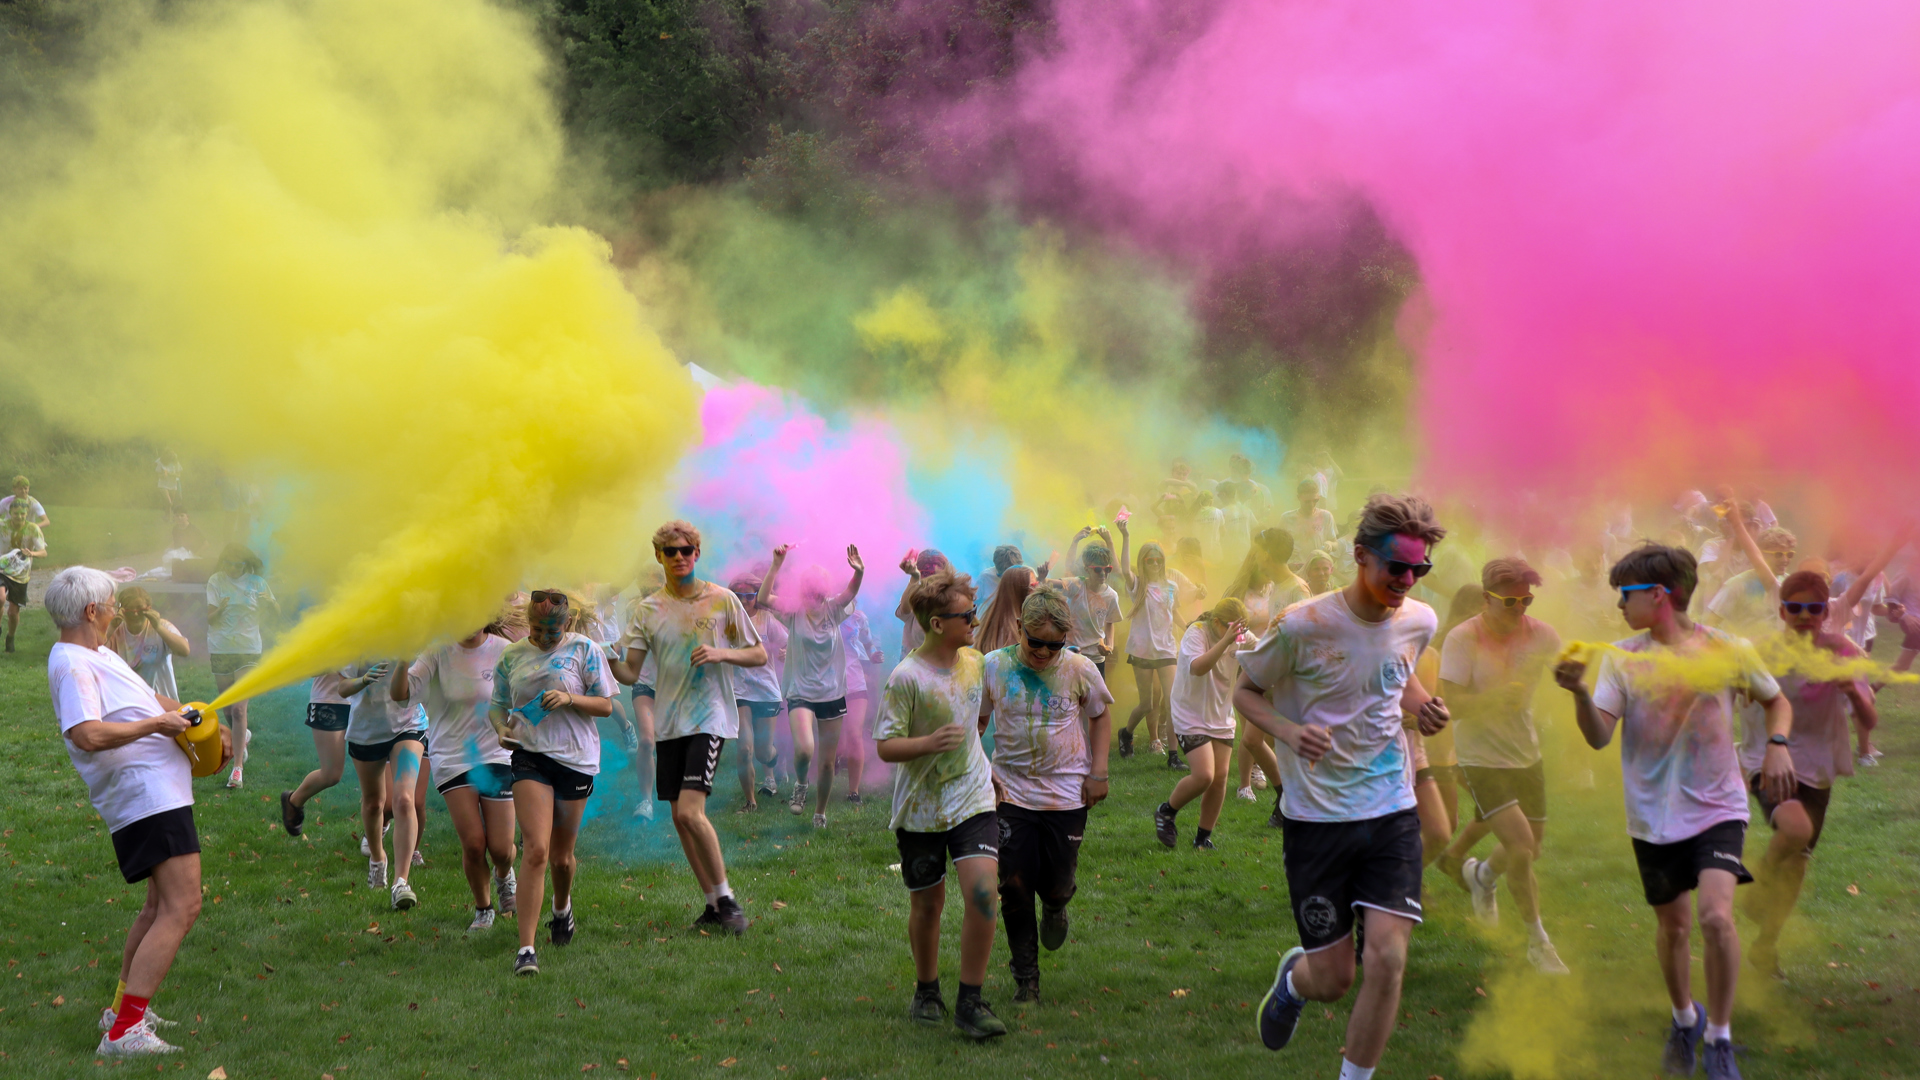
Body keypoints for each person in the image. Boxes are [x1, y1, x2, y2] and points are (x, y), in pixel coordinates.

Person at [1553, 543, 1792, 1080]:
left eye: (1626, 594)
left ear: (1658, 595)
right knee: (1675, 928)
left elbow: (1777, 700)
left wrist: (1778, 743)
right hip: (1652, 814)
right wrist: (1578, 694)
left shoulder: (1728, 649)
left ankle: (1719, 1037)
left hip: (1719, 805)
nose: (1619, 605)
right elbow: (1599, 737)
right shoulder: (1621, 657)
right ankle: (1685, 1017)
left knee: (1715, 917)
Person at [1238, 494, 1452, 1079]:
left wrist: (1422, 705)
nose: (1407, 580)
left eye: (1419, 569)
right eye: (1396, 566)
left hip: (1391, 809)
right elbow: (1245, 691)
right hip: (1316, 819)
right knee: (1333, 980)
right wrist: (1289, 731)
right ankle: (1293, 983)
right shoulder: (1301, 625)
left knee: (1387, 959)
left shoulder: (1419, 620)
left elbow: (1397, 675)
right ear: (1360, 555)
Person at [46, 566, 227, 1057]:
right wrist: (157, 725)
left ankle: (121, 1012)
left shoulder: (99, 653)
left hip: (158, 792)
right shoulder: (73, 665)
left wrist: (201, 718)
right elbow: (86, 734)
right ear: (92, 611)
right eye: (110, 603)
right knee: (182, 906)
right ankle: (125, 1032)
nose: (114, 610)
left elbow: (149, 700)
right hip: (145, 797)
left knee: (157, 907)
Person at [612, 521, 767, 936]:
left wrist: (720, 653)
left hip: (709, 716)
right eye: (670, 551)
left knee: (689, 811)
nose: (679, 557)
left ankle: (727, 898)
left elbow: (759, 654)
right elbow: (630, 673)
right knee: (679, 820)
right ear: (659, 556)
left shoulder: (722, 600)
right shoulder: (648, 610)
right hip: (669, 722)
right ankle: (712, 904)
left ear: (697, 554)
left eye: (686, 550)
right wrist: (608, 657)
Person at [873, 570, 1007, 1040]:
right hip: (921, 808)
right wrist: (928, 743)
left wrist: (987, 766)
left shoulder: (975, 662)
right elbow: (886, 746)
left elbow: (973, 725)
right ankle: (927, 989)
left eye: (975, 611)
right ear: (935, 624)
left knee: (984, 894)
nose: (975, 621)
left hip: (973, 797)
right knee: (928, 905)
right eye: (966, 615)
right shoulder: (905, 678)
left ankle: (971, 1002)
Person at [1740, 570, 1879, 978]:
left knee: (1798, 865)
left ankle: (1765, 946)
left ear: (1825, 613)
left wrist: (1851, 690)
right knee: (1796, 831)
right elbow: (1721, 689)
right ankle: (1758, 885)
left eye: (1814, 608)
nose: (1804, 615)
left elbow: (1869, 718)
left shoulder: (1843, 651)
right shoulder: (1758, 651)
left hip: (1818, 769)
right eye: (1795, 607)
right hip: (1767, 757)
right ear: (1782, 611)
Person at [980, 585, 1114, 1003]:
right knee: (1014, 886)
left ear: (1066, 639)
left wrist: (1099, 772)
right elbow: (977, 722)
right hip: (1010, 793)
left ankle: (1056, 906)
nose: (1042, 652)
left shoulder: (1079, 668)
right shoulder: (994, 666)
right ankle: (1027, 979)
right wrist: (977, 770)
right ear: (1019, 627)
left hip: (1067, 794)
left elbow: (1100, 715)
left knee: (1056, 884)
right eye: (1035, 642)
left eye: (1053, 646)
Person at [1433, 558, 1568, 974]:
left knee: (1532, 846)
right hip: (1480, 757)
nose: (1519, 608)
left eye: (1526, 600)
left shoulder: (1542, 634)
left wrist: (1575, 677)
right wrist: (1494, 699)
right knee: (1522, 848)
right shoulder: (1462, 638)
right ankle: (1538, 944)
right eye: (1510, 601)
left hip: (1526, 753)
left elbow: (1565, 676)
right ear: (1486, 599)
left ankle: (1482, 877)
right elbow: (1452, 706)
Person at [491, 589, 617, 974]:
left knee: (562, 858)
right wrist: (500, 729)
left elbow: (606, 705)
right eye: (537, 629)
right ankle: (526, 950)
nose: (544, 637)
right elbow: (497, 705)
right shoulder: (511, 656)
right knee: (536, 850)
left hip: (575, 759)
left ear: (568, 624)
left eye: (552, 631)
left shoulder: (584, 650)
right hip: (530, 755)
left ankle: (562, 908)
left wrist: (569, 699)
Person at [392, 617, 519, 932]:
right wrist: (404, 658)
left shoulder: (505, 651)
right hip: (452, 756)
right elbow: (401, 695)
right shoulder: (437, 652)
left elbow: (523, 697)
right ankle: (483, 909)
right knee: (474, 844)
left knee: (502, 849)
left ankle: (504, 874)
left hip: (496, 753)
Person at [757, 543, 866, 825]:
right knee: (805, 749)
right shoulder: (793, 612)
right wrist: (776, 564)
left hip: (832, 693)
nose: (814, 598)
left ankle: (820, 812)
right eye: (809, 591)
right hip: (800, 691)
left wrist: (858, 572)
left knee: (827, 762)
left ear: (825, 592)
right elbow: (763, 597)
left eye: (819, 592)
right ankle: (801, 784)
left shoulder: (834, 609)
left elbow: (851, 592)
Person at [1225, 528, 1311, 808]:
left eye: (1259, 551)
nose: (1256, 557)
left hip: (1289, 680)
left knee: (1283, 744)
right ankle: (1285, 797)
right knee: (1252, 740)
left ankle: (1292, 803)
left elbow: (1304, 638)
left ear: (1269, 555)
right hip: (1271, 674)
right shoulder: (1277, 587)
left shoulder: (1297, 589)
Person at [1156, 598, 1249, 849]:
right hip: (1190, 713)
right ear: (1216, 622)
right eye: (1232, 628)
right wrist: (1226, 641)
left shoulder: (1238, 634)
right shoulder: (1196, 632)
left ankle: (1202, 838)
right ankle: (1166, 811)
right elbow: (1198, 668)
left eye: (1242, 628)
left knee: (1220, 778)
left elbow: (1263, 650)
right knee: (1204, 775)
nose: (1238, 634)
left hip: (1220, 714)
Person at [341, 659, 427, 909]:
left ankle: (401, 882)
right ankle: (378, 859)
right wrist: (363, 680)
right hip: (366, 730)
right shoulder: (355, 642)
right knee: (374, 803)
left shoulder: (411, 640)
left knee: (404, 799)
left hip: (409, 724)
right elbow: (342, 688)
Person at [1119, 542, 1205, 766]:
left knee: (1172, 702)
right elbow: (1125, 569)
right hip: (1142, 650)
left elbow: (1173, 611)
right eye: (1150, 560)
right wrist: (1125, 536)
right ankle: (1126, 733)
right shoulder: (1138, 585)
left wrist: (1188, 628)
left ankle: (1173, 756)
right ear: (1143, 562)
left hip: (1166, 649)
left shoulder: (1171, 586)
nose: (1155, 564)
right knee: (1146, 704)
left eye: (1159, 560)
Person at [204, 543, 276, 788]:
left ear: (245, 564)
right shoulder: (216, 580)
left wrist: (270, 604)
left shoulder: (257, 583)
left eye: (237, 565)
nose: (232, 569)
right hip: (221, 647)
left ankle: (237, 769)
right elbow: (210, 618)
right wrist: (221, 609)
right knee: (227, 707)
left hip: (248, 648)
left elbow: (275, 611)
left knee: (238, 710)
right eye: (228, 564)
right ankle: (242, 735)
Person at [730, 573, 788, 812]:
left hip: (766, 691)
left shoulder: (767, 619)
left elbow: (789, 641)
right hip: (739, 690)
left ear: (756, 596)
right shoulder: (726, 621)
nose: (744, 601)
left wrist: (785, 653)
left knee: (763, 753)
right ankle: (750, 802)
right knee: (745, 749)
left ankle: (776, 758)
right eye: (738, 596)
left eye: (749, 596)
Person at [280, 667, 352, 843]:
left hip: (369, 703)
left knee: (377, 770)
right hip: (330, 701)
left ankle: (377, 832)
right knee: (331, 774)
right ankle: (294, 801)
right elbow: (311, 667)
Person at [1059, 524, 1128, 682]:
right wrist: (1075, 541)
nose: (1102, 571)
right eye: (1096, 566)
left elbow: (1118, 572)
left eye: (1105, 566)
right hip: (1077, 644)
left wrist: (1110, 541)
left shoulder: (1110, 581)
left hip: (1103, 642)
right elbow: (1069, 567)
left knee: (1101, 682)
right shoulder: (1079, 583)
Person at [107, 586, 190, 700]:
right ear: (121, 610)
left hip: (161, 701)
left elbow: (184, 651)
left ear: (149, 609)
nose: (135, 614)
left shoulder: (162, 626)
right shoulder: (115, 630)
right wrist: (111, 626)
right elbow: (93, 652)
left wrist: (158, 627)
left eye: (139, 609)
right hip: (128, 700)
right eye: (130, 610)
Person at [838, 605, 885, 806]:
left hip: (855, 683)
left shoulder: (859, 617)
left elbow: (868, 643)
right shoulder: (822, 612)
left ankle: (853, 792)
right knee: (834, 740)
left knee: (854, 735)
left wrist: (873, 654)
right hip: (827, 685)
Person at [4, 497, 47, 653]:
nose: (19, 516)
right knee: (0, 598)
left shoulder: (33, 529)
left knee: (13, 612)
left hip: (21, 573)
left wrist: (32, 553)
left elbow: (44, 552)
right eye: (16, 513)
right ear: (10, 513)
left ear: (27, 513)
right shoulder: (2, 526)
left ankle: (10, 636)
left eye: (23, 514)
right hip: (2, 567)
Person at [894, 548, 951, 655]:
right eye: (926, 573)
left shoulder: (953, 599)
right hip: (913, 662)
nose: (931, 579)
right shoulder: (915, 595)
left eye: (936, 574)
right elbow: (905, 610)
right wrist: (914, 577)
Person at [975, 566, 1039, 655]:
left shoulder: (995, 619)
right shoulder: (1010, 632)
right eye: (1033, 586)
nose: (1037, 591)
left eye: (1037, 584)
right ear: (1018, 592)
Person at [1280, 478, 1339, 560]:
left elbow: (1335, 543)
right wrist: (1286, 550)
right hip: (1296, 565)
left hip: (1318, 564)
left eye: (1315, 500)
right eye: (1307, 501)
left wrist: (1330, 544)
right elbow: (1277, 544)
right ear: (1298, 498)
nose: (1311, 505)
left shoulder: (1326, 516)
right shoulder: (1287, 518)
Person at [155, 452, 182, 518]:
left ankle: (167, 517)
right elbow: (158, 475)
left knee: (170, 503)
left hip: (173, 485)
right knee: (169, 502)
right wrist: (163, 475)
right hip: (163, 484)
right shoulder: (161, 463)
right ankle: (167, 516)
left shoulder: (176, 463)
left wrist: (172, 474)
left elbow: (179, 475)